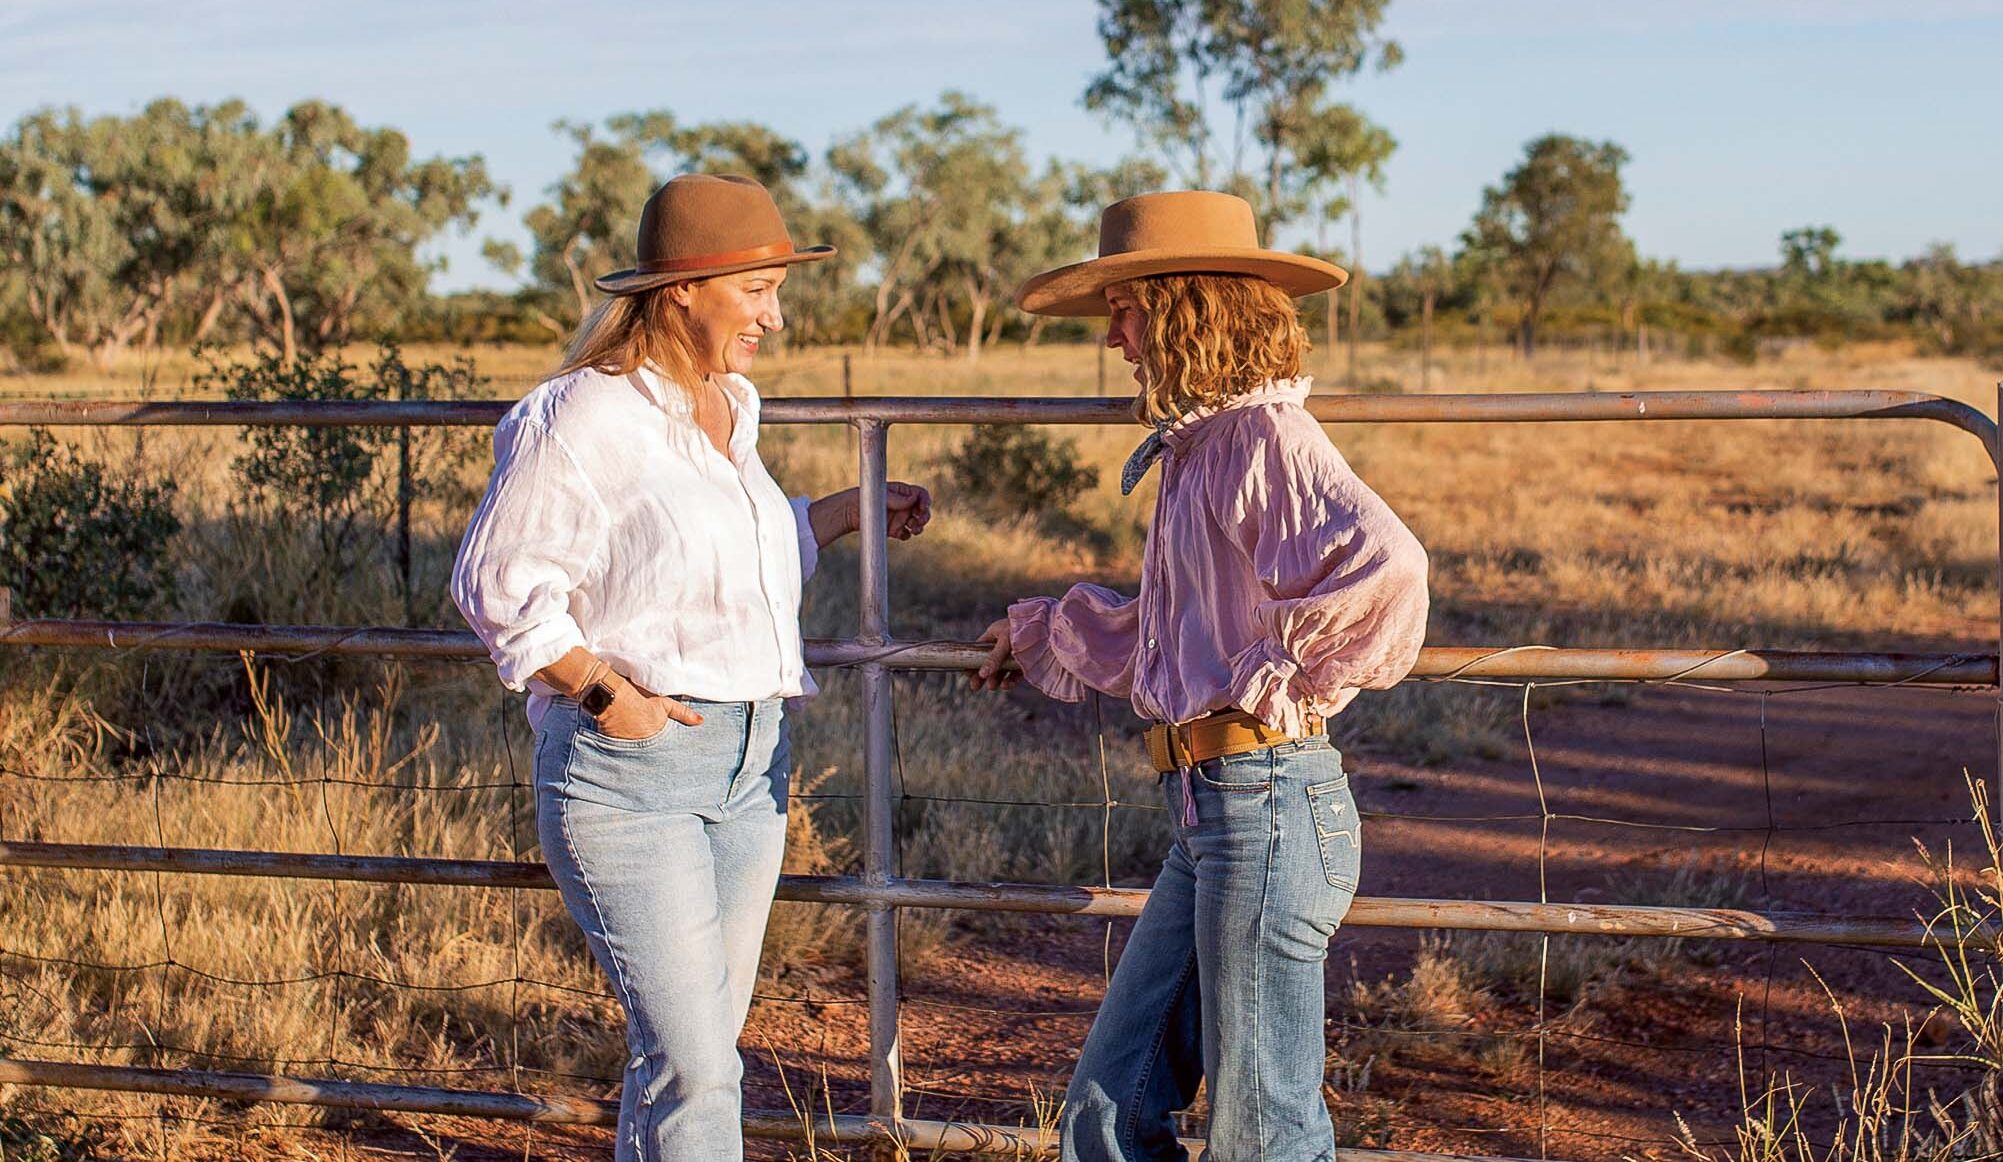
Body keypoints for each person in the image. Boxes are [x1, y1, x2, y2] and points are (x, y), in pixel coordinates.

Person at [450, 173, 930, 1161]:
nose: (776, 315)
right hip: (632, 776)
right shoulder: (586, 414)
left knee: (689, 1058)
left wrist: (836, 515)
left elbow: (710, 578)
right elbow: (495, 581)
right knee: (700, 1069)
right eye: (754, 290)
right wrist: (599, 688)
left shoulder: (728, 405)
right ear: (682, 290)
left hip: (750, 766)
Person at [971, 190, 1430, 1162]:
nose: (1113, 339)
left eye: (1125, 310)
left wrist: (1271, 681)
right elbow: (1169, 629)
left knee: (1262, 1132)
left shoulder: (1262, 441)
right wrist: (1045, 631)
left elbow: (1387, 572)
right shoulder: (1204, 448)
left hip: (1262, 798)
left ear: (1183, 307)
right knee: (1109, 1105)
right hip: (1214, 807)